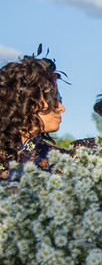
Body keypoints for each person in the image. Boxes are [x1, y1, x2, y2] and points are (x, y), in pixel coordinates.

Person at [0, 51, 68, 181]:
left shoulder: (61, 161)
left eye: (59, 99)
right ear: (26, 99)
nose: (61, 108)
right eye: (54, 98)